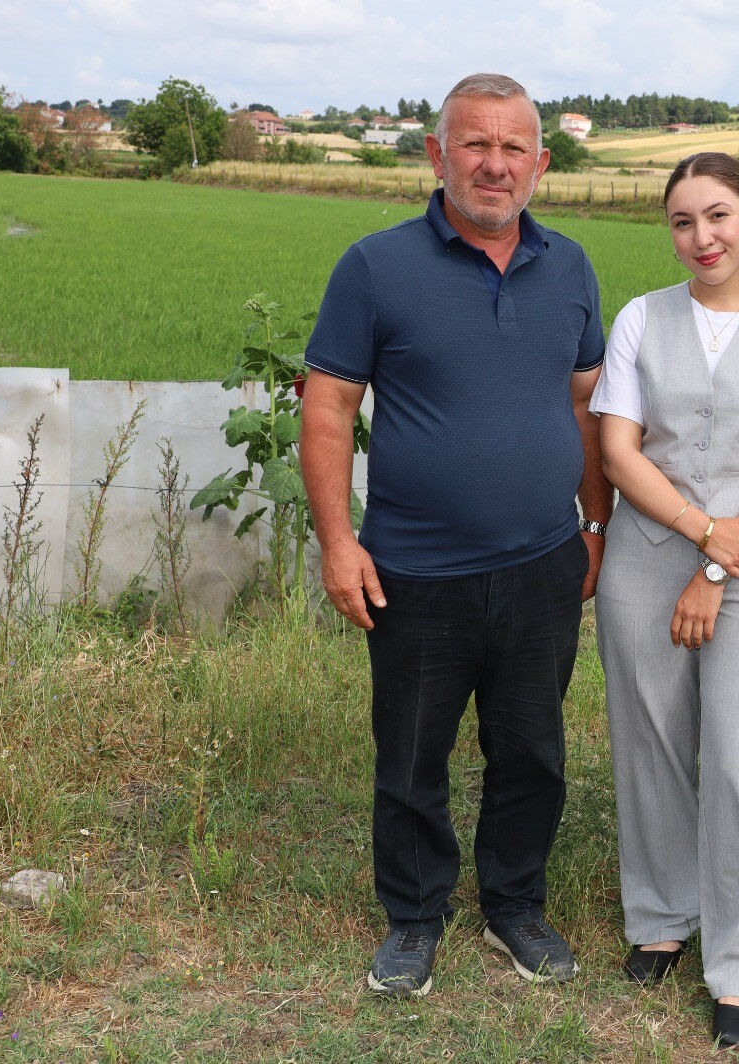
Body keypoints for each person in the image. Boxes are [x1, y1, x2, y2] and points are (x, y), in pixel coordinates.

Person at [299, 72, 612, 999]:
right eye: (475, 144)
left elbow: (589, 405)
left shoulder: (571, 267)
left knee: (532, 751)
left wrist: (594, 524)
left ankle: (515, 905)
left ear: (541, 164)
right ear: (437, 154)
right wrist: (336, 540)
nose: (494, 164)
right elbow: (328, 406)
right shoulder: (375, 266)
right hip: (415, 571)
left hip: (542, 564)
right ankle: (414, 917)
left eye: (514, 147)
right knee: (410, 758)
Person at [589, 152, 739, 1047]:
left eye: (721, 215)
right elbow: (619, 452)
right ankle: (661, 913)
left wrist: (721, 566)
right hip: (649, 555)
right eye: (685, 221)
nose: (704, 237)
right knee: (650, 742)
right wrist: (700, 536)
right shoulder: (640, 321)